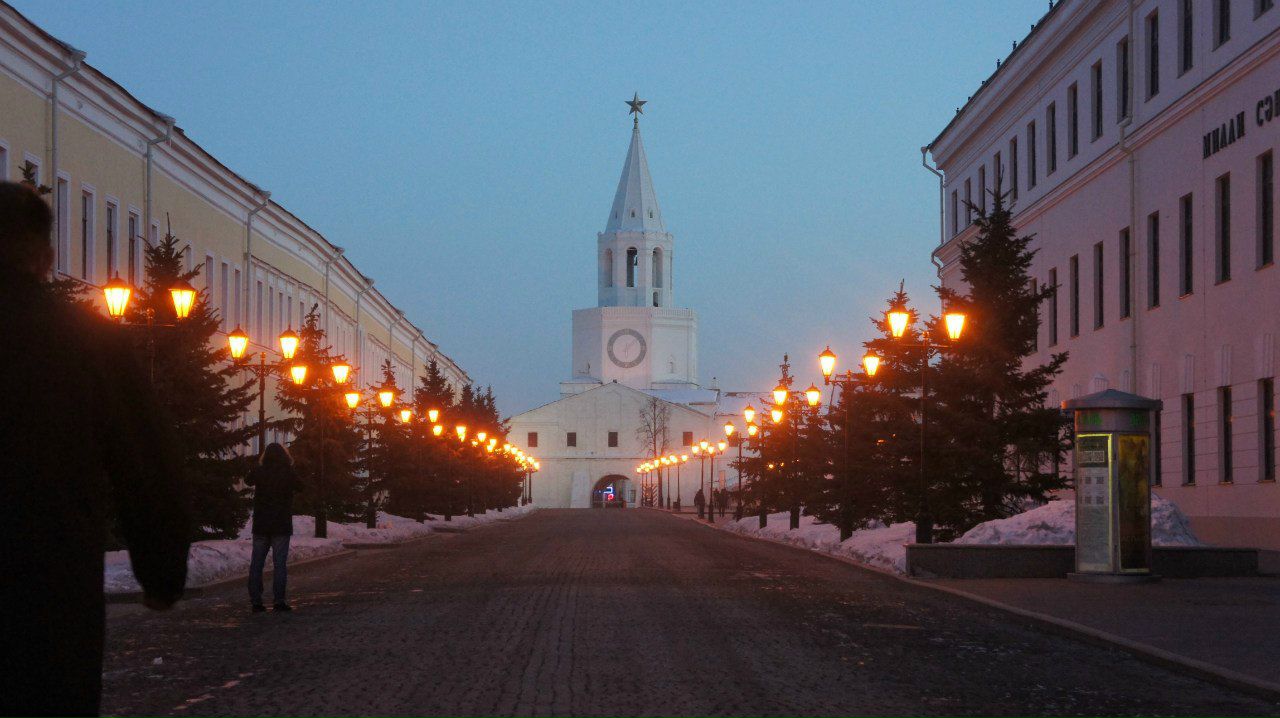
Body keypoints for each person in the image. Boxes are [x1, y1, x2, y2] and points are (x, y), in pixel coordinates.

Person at [0, 181, 190, 717]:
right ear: (45, 256)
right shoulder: (85, 340)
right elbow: (147, 461)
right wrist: (160, 573)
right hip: (45, 585)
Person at [245, 442, 301, 612]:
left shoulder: (260, 471)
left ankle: (256, 601)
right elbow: (301, 486)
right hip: (281, 524)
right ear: (285, 456)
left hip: (261, 524)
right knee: (280, 564)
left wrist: (259, 468)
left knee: (257, 563)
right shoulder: (288, 472)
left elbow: (248, 480)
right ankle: (279, 600)